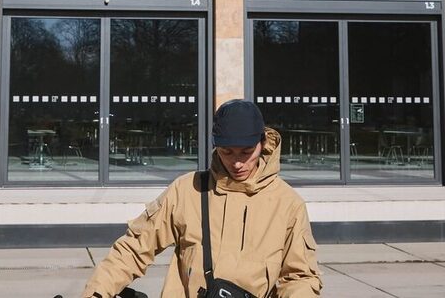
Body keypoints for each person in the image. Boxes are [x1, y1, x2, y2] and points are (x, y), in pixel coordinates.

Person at [82, 99, 322, 298]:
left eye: (246, 152)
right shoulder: (187, 190)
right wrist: (96, 293)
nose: (237, 162)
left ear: (263, 143)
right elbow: (133, 250)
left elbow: (300, 277)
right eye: (227, 152)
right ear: (215, 147)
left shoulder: (288, 203)